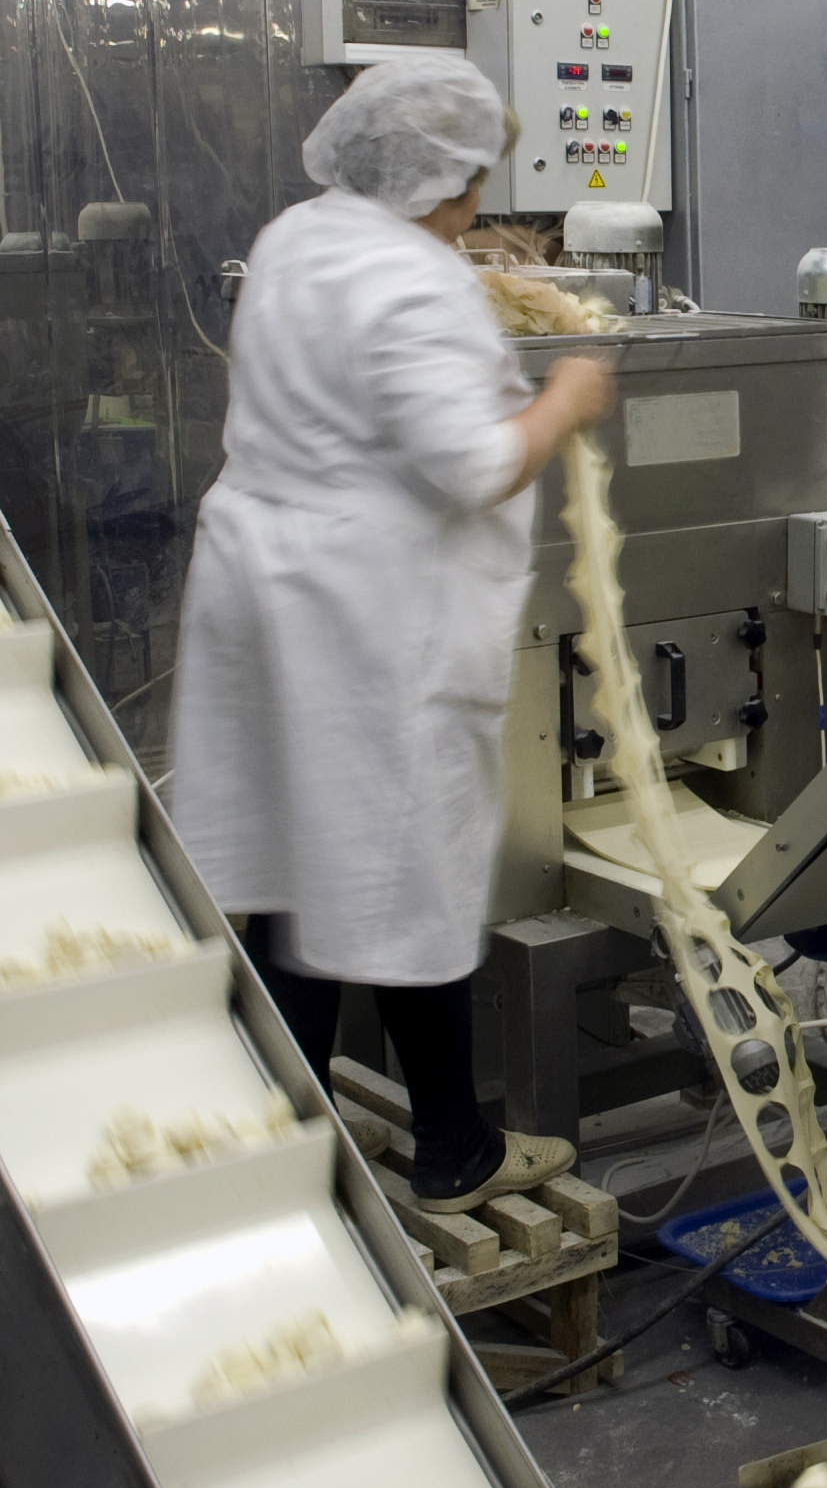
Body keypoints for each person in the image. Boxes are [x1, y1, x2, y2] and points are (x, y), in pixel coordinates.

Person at [170, 59, 618, 1213]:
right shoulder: (414, 285)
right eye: (476, 176)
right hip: (364, 609)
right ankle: (455, 1147)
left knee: (294, 864)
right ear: (448, 179)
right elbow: (469, 465)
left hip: (260, 583)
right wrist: (565, 396)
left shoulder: (295, 238)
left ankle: (283, 1133)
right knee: (402, 865)